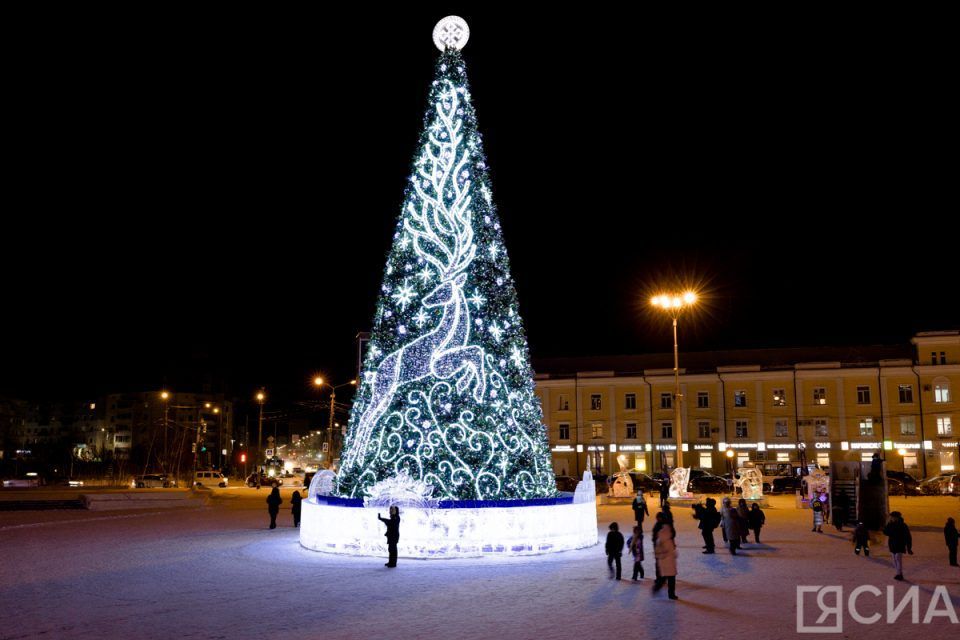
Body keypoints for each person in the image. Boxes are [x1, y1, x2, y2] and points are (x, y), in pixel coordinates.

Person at [652, 514, 678, 600]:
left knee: (667, 577)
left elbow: (659, 551)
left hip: (666, 561)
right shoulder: (666, 539)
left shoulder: (663, 539)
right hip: (667, 561)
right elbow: (667, 550)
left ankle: (659, 589)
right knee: (669, 578)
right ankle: (670, 594)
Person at [883, 511, 913, 581]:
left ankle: (899, 574)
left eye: (892, 517)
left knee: (898, 559)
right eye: (891, 517)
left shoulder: (903, 525)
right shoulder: (890, 524)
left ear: (897, 517)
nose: (891, 518)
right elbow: (886, 532)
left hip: (900, 544)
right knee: (894, 559)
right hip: (892, 544)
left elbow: (908, 537)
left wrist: (909, 548)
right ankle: (898, 573)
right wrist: (886, 526)